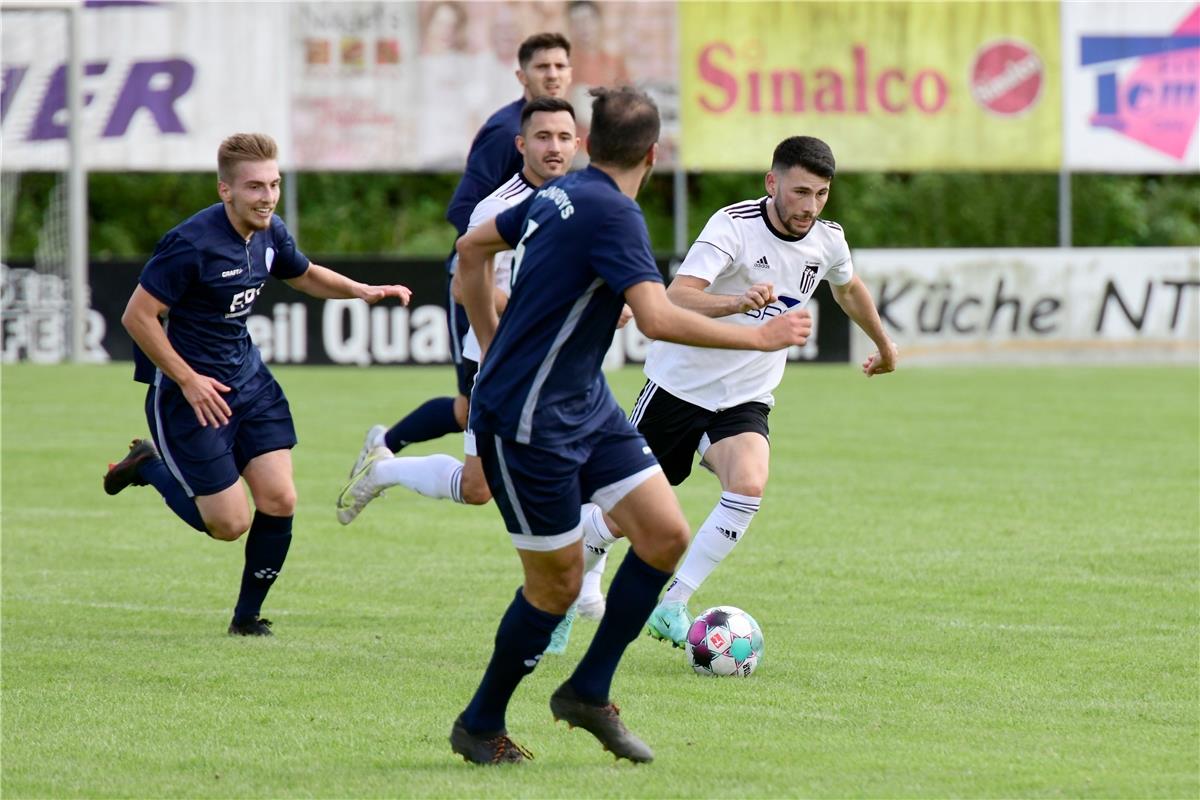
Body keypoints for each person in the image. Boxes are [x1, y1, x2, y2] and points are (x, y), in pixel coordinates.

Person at [446, 86, 813, 765]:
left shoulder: (564, 193)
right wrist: (761, 338)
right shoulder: (614, 215)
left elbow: (470, 250)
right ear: (654, 154)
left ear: (587, 143)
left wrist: (490, 336)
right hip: (527, 417)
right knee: (553, 587)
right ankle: (479, 722)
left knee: (665, 534)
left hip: (583, 401)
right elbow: (656, 317)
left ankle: (588, 690)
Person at [580, 135, 899, 649]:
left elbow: (847, 286)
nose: (810, 206)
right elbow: (676, 297)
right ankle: (578, 578)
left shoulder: (828, 239)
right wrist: (737, 304)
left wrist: (883, 344)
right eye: (800, 192)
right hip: (678, 391)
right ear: (772, 183)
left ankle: (673, 603)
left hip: (744, 398)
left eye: (821, 194)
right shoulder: (733, 226)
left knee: (748, 485)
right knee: (620, 519)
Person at [102, 133, 411, 636]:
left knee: (280, 500)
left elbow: (303, 274)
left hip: (249, 382)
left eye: (274, 185)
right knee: (228, 525)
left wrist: (360, 290)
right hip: (190, 396)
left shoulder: (270, 231)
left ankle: (246, 619)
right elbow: (138, 316)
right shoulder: (190, 244)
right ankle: (149, 466)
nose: (267, 197)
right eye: (254, 188)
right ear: (226, 190)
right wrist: (188, 379)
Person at [337, 96, 581, 520]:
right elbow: (460, 288)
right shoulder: (498, 208)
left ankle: (586, 586)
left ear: (578, 144)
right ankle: (385, 470)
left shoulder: (579, 200)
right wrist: (552, 305)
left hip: (555, 363)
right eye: (543, 137)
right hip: (499, 360)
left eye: (563, 137)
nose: (554, 147)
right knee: (477, 488)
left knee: (582, 469)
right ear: (521, 145)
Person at [353, 33, 572, 469]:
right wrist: (493, 261)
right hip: (479, 279)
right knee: (473, 404)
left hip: (518, 286)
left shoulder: (555, 131)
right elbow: (466, 210)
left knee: (472, 407)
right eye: (542, 66)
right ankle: (387, 453)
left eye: (560, 66)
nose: (552, 75)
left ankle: (386, 446)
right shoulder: (506, 132)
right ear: (521, 75)